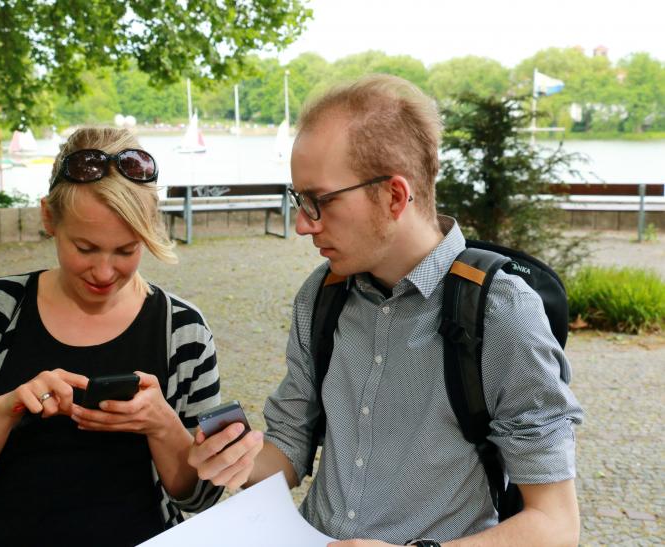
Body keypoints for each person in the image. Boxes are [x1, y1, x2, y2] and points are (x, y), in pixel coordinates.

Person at [188, 75, 584, 546]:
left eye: (320, 201)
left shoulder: (502, 312)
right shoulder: (322, 295)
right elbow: (289, 449)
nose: (301, 224)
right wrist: (236, 459)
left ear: (394, 196)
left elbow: (556, 525)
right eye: (300, 200)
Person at [0, 126, 223, 546]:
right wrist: (8, 407)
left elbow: (202, 496)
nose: (103, 272)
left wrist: (162, 424)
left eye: (126, 250)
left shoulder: (183, 329)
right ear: (48, 217)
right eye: (84, 248)